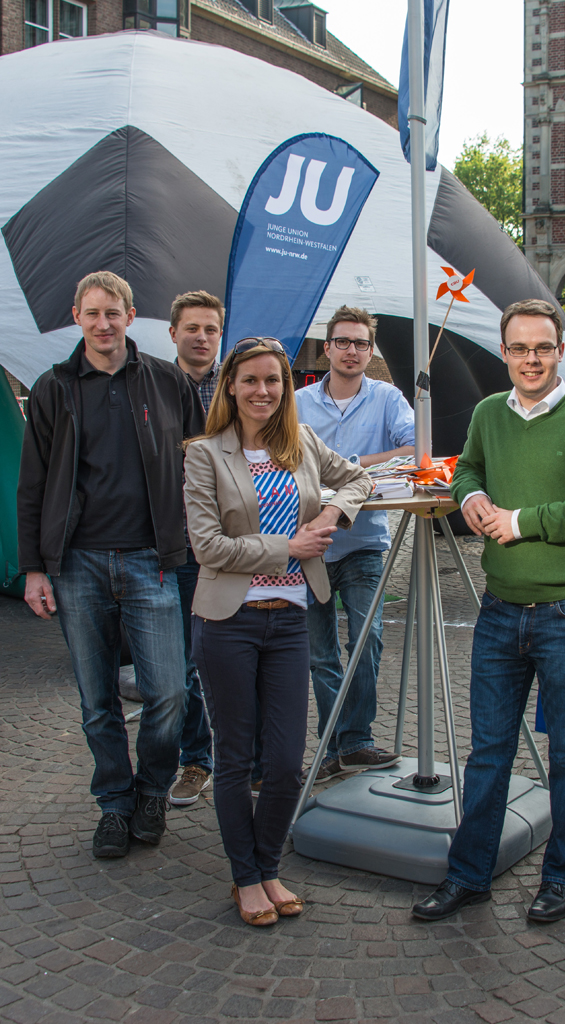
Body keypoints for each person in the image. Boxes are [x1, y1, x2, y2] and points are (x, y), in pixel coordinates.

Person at [412, 299, 565, 923]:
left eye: (542, 348)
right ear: (503, 352)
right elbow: (468, 468)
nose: (530, 359)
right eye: (518, 348)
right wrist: (472, 493)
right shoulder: (486, 413)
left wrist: (519, 522)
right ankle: (469, 875)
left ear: (560, 351)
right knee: (488, 753)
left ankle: (561, 876)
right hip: (501, 610)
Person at [184, 337, 371, 926]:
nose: (263, 391)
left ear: (286, 388)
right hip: (228, 623)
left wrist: (333, 513)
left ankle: (268, 866)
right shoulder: (204, 454)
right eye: (251, 381)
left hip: (291, 619)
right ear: (231, 388)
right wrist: (286, 546)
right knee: (237, 759)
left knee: (288, 762)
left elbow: (359, 479)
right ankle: (247, 877)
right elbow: (207, 546)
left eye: (274, 381)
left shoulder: (303, 444)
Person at [17, 271, 204, 859]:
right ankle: (114, 805)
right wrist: (34, 569)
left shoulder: (168, 381)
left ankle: (152, 790)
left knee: (168, 692)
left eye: (113, 313)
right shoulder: (53, 388)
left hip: (153, 560)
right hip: (77, 565)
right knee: (96, 699)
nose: (103, 324)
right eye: (93, 313)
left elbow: (201, 467)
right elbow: (32, 485)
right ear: (77, 315)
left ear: (130, 316)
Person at [295, 307, 415, 782]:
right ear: (327, 347)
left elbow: (412, 450)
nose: (352, 351)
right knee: (320, 653)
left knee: (367, 643)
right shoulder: (299, 402)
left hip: (365, 541)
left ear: (371, 350)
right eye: (343, 342)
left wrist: (349, 463)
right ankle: (332, 746)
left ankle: (357, 739)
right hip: (310, 543)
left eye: (361, 344)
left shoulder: (388, 398)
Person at [167, 290, 224, 807]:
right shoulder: (155, 386)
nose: (201, 337)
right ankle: (195, 759)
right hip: (178, 546)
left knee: (244, 654)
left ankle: (245, 762)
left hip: (236, 546)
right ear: (174, 334)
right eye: (192, 328)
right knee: (186, 663)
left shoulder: (239, 385)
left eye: (210, 328)